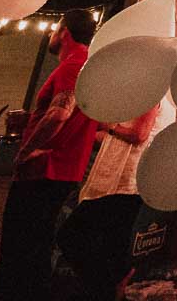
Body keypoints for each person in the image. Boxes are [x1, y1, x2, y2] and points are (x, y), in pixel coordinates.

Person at [0, 8, 99, 301]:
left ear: (64, 32)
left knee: (21, 243)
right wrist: (31, 119)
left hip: (45, 168)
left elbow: (59, 114)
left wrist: (26, 151)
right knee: (37, 241)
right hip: (65, 169)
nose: (51, 35)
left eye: (54, 29)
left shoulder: (73, 64)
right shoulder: (90, 67)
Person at [57, 99, 165, 301]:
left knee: (70, 236)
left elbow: (139, 134)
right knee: (111, 246)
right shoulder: (136, 95)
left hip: (126, 181)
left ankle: (108, 289)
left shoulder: (150, 94)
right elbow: (111, 137)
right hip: (120, 182)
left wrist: (111, 126)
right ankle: (111, 290)